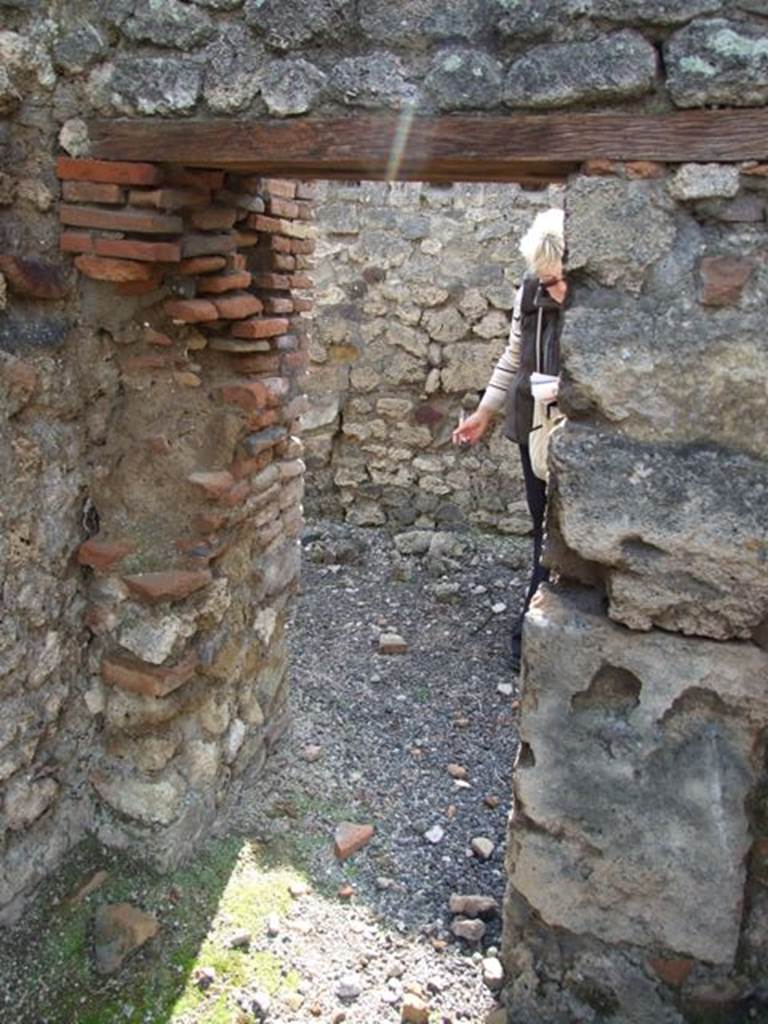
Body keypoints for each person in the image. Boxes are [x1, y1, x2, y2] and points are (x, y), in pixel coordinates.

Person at [452, 208, 568, 672]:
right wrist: (484, 411)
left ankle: (537, 633)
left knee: (564, 531)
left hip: (578, 428)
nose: (553, 289)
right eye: (546, 281)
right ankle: (533, 634)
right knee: (544, 525)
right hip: (534, 425)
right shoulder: (529, 292)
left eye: (559, 280)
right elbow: (514, 356)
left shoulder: (596, 295)